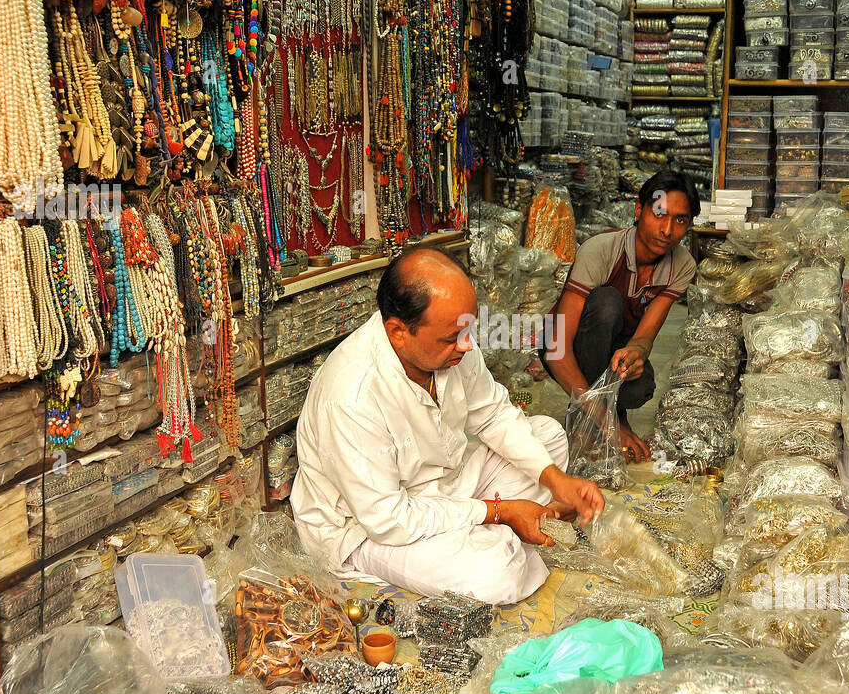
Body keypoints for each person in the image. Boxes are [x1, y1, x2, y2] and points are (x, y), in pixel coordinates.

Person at [290, 248, 605, 606]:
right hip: (369, 529)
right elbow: (388, 518)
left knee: (547, 435)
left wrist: (554, 479)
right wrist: (499, 511)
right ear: (398, 332)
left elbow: (494, 414)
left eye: (469, 329)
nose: (468, 345)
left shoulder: (455, 344)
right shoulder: (351, 394)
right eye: (452, 337)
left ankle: (486, 533)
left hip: (447, 487)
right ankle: (494, 535)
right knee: (497, 575)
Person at [541, 168, 699, 463]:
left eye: (680, 220)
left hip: (614, 345)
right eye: (660, 214)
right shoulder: (600, 250)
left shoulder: (683, 265)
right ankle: (592, 417)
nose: (668, 231)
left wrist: (637, 353)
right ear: (639, 210)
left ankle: (598, 412)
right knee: (607, 302)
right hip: (563, 344)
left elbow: (644, 337)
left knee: (640, 386)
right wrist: (609, 422)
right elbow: (556, 349)